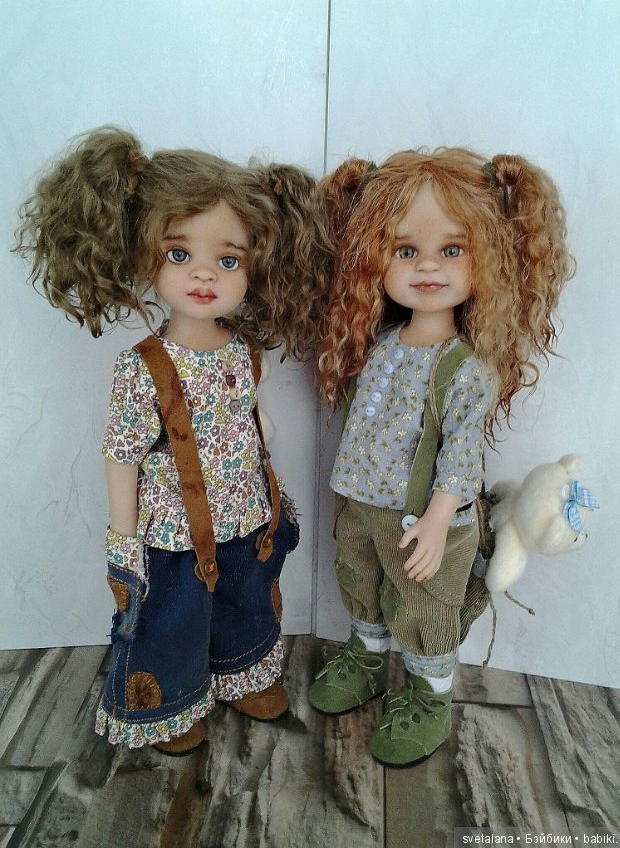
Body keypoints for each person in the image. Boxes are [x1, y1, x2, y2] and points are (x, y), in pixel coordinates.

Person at [15, 126, 334, 754]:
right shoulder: (144, 367)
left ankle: (241, 672)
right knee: (173, 620)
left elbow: (248, 420)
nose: (205, 275)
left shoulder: (243, 349)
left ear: (255, 265)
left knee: (247, 601)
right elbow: (122, 453)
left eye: (229, 260)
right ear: (143, 255)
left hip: (246, 513)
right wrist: (123, 539)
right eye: (179, 254)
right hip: (173, 532)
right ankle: (173, 699)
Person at [309, 147, 573, 767]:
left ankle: (429, 696)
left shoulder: (464, 368)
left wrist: (436, 520)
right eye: (405, 250)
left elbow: (460, 452)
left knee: (424, 606)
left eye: (452, 249)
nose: (428, 266)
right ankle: (367, 659)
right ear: (375, 258)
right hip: (361, 505)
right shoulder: (380, 343)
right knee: (362, 583)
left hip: (425, 518)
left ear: (488, 258)